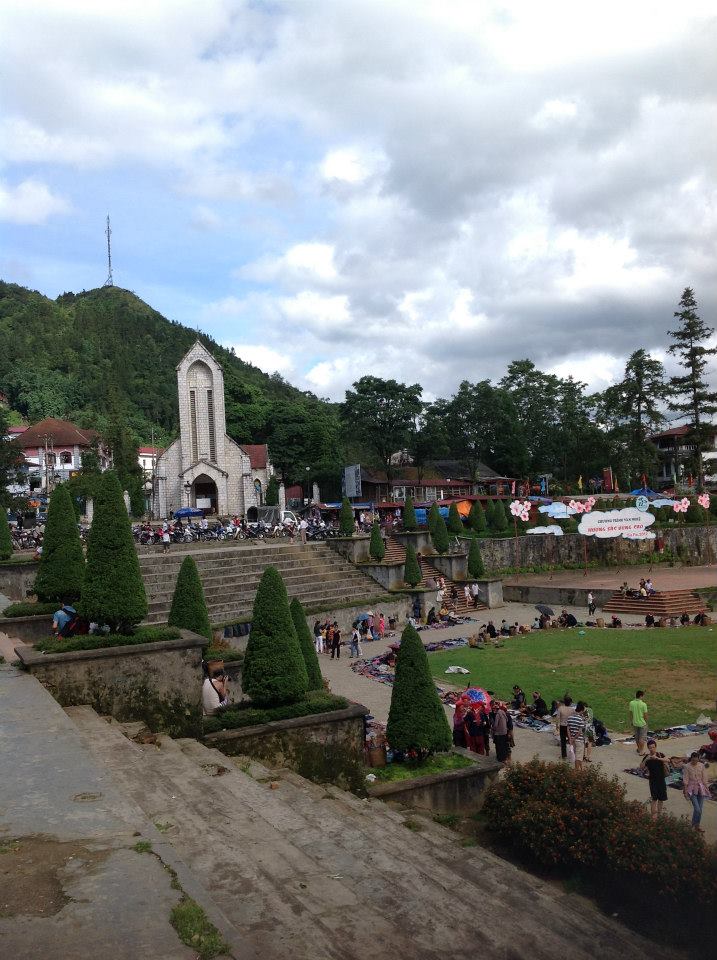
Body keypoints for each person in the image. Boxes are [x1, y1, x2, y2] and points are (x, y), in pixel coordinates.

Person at [640, 739, 670, 819]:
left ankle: (659, 816)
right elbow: (641, 767)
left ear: (656, 747)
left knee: (661, 799)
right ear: (648, 748)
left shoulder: (660, 754)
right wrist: (647, 759)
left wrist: (657, 758)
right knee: (654, 799)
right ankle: (653, 817)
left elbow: (668, 760)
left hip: (661, 780)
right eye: (650, 747)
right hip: (652, 781)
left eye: (653, 747)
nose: (652, 749)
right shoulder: (647, 757)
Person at [682, 752, 709, 831]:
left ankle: (697, 826)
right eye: (693, 760)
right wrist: (685, 791)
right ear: (691, 759)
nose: (694, 762)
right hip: (691, 789)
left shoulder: (701, 765)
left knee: (700, 810)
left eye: (696, 760)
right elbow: (685, 779)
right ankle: (693, 825)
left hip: (701, 789)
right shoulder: (687, 767)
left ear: (698, 759)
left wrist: (706, 787)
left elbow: (704, 777)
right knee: (697, 809)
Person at [566, 701, 587, 770]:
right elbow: (580, 731)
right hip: (579, 740)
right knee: (579, 757)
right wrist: (574, 738)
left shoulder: (569, 717)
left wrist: (570, 739)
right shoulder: (581, 719)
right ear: (581, 710)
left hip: (572, 739)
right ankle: (576, 771)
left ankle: (581, 769)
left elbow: (568, 729)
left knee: (576, 755)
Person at [628, 690, 649, 756]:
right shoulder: (643, 704)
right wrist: (645, 721)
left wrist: (631, 721)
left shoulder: (631, 703)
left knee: (637, 737)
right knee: (642, 738)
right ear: (641, 696)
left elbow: (631, 713)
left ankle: (639, 749)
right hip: (642, 723)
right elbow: (645, 715)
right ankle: (641, 751)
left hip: (635, 723)